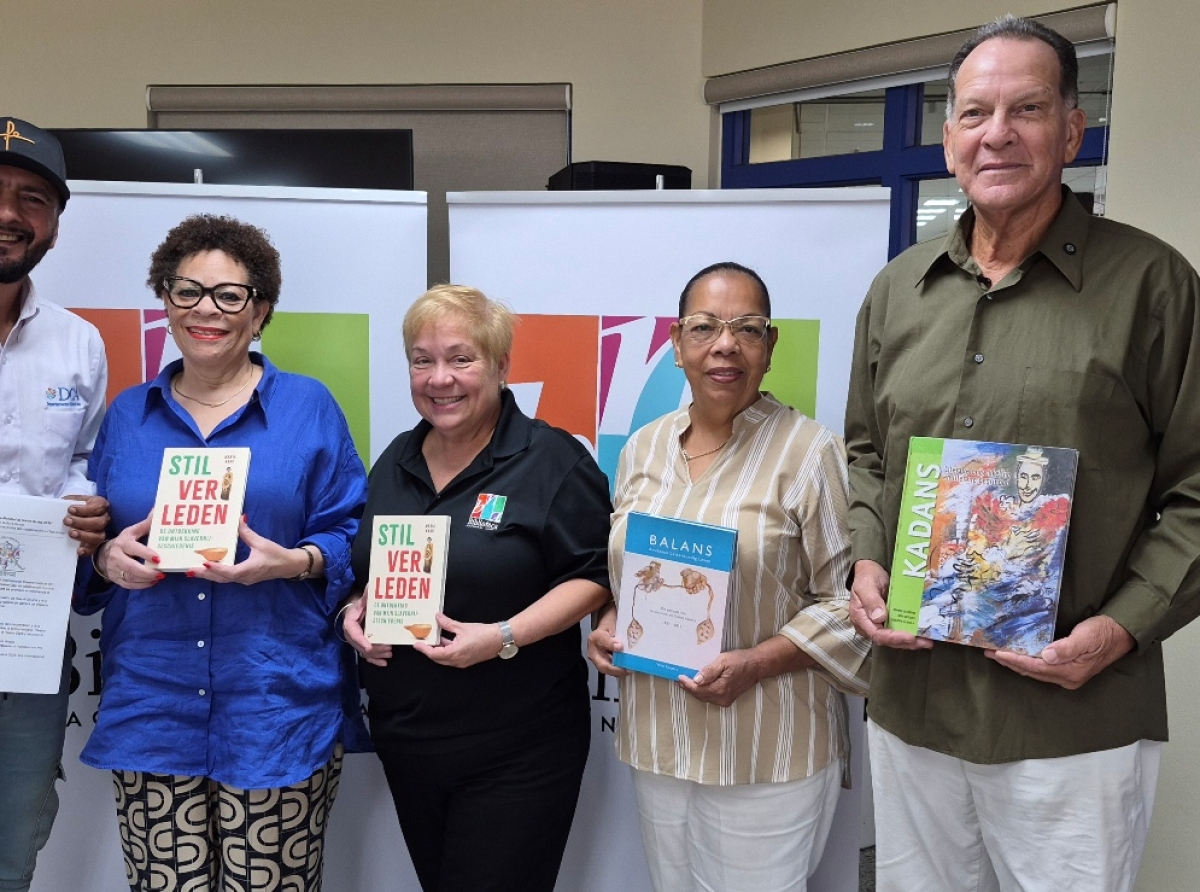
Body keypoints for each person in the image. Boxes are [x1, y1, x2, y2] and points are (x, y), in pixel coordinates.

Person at [845, 15, 1200, 891]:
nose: (996, 133)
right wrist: (865, 557)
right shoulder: (898, 290)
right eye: (975, 112)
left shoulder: (1153, 286)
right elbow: (867, 453)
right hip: (913, 706)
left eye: (1027, 109)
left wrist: (1121, 630)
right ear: (949, 138)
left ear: (1072, 131)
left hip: (1071, 719)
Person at [76, 214, 370, 892]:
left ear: (260, 311)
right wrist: (104, 560)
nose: (205, 310)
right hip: (152, 706)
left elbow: (351, 532)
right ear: (166, 300)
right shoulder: (127, 414)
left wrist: (295, 561)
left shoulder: (309, 408)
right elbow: (92, 537)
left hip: (275, 707)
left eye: (230, 295)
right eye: (187, 291)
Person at [589, 262, 870, 892]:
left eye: (747, 328)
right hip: (659, 736)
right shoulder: (642, 448)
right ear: (675, 343)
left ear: (770, 346)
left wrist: (756, 662)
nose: (725, 344)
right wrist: (610, 621)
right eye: (705, 327)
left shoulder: (811, 451)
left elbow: (848, 604)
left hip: (767, 745)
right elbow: (627, 575)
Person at [342, 285, 612, 892]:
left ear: (500, 365)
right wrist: (354, 612)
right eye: (423, 360)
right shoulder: (396, 458)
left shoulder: (552, 459)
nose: (440, 378)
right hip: (409, 740)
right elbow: (367, 569)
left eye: (461, 359)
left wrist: (502, 636)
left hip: (517, 748)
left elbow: (594, 575)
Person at [0, 116, 109, 892]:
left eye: (32, 199)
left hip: (28, 643)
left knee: (15, 839)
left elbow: (82, 459)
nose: (10, 213)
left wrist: (83, 507)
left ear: (55, 224)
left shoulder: (79, 344)